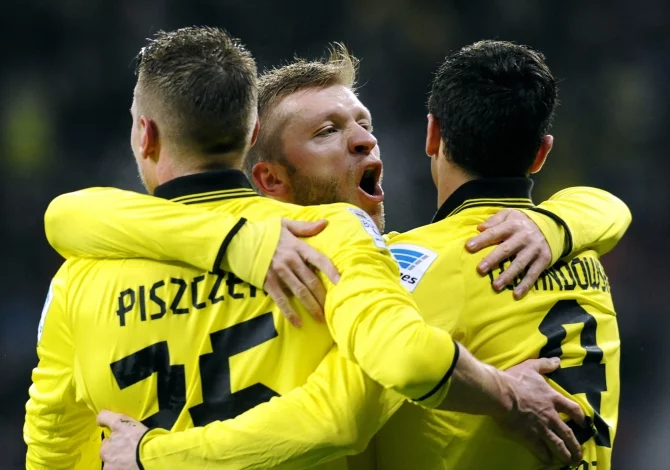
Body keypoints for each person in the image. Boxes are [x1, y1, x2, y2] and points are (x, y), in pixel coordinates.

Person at [42, 41, 629, 470]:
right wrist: (501, 391)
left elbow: (70, 216)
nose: (365, 139)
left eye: (364, 123)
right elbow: (347, 412)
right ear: (267, 175)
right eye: (326, 131)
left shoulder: (80, 276)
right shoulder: (360, 262)